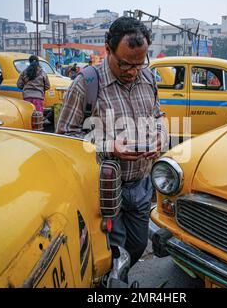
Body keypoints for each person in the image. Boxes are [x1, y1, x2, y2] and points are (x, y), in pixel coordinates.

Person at [56, 16, 168, 267]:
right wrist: (110, 147)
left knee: (138, 244)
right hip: (104, 190)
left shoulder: (148, 79)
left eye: (139, 64)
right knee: (113, 253)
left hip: (141, 186)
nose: (132, 72)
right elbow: (65, 137)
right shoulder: (86, 84)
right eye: (126, 64)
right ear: (108, 49)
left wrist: (161, 135)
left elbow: (159, 115)